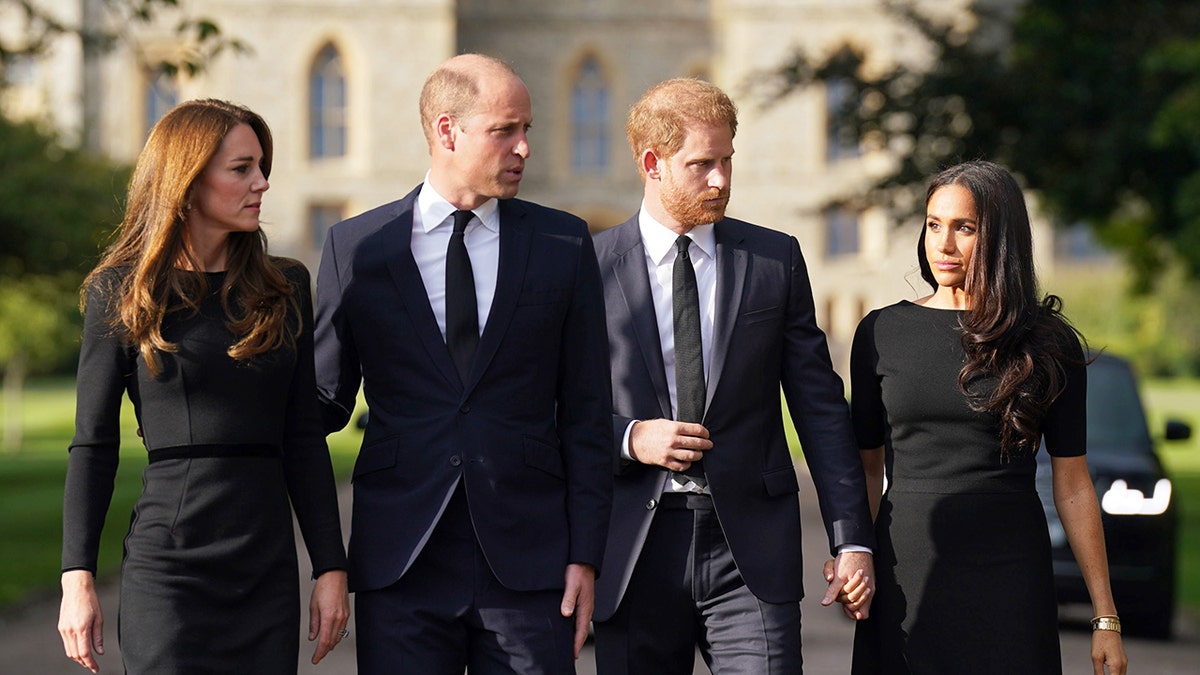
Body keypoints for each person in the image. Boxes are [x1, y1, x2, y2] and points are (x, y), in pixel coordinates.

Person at [313, 53, 612, 674]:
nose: (525, 147)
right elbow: (320, 405)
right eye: (506, 130)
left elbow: (588, 412)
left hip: (531, 565)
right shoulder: (358, 249)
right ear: (447, 131)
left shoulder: (564, 243)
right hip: (401, 559)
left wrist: (585, 554)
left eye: (526, 129)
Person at [590, 77, 877, 675]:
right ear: (652, 163)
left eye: (727, 161)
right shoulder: (588, 270)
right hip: (632, 551)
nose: (721, 179)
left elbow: (820, 409)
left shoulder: (775, 260)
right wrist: (630, 437)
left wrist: (851, 538)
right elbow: (550, 408)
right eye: (701, 165)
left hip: (749, 552)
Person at [57, 99, 350, 674]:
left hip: (264, 567)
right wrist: (77, 579)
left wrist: (330, 568)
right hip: (169, 569)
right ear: (188, 181)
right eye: (241, 168)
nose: (262, 183)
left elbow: (304, 439)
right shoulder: (120, 290)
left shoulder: (286, 286)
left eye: (261, 166)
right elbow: (92, 444)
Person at [845, 160, 1127, 674]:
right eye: (933, 224)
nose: (943, 244)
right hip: (906, 566)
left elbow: (1072, 484)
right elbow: (865, 467)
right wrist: (853, 553)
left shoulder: (1048, 343)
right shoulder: (880, 333)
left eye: (964, 228)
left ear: (999, 237)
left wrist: (1105, 616)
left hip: (1010, 575)